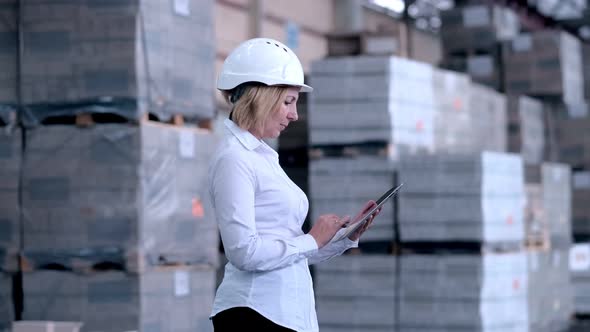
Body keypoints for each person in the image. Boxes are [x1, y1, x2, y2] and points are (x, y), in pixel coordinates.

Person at [208, 37, 381, 332]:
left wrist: (341, 239)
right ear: (261, 97)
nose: (294, 114)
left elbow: (291, 253)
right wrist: (312, 238)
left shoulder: (261, 157)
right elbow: (243, 252)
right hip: (255, 313)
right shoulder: (235, 159)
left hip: (282, 314)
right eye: (288, 101)